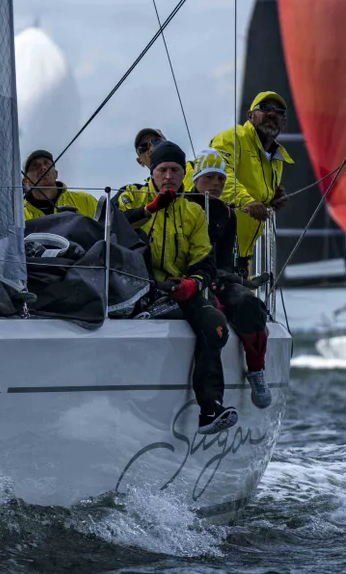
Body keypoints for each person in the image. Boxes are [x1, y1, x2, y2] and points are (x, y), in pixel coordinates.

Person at [123, 140, 239, 434]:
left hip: (177, 288)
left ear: (184, 173)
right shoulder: (131, 196)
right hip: (135, 285)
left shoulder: (194, 212)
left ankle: (210, 410)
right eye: (162, 169)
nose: (169, 176)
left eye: (175, 170)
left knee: (216, 325)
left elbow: (204, 260)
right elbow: (110, 227)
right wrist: (149, 210)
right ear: (152, 173)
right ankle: (135, 402)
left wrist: (194, 283)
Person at [188, 149, 272, 409]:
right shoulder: (183, 206)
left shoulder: (227, 213)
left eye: (221, 179)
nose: (216, 184)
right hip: (189, 278)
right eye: (210, 177)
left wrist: (241, 282)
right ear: (195, 179)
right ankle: (212, 400)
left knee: (250, 304)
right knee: (213, 313)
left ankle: (256, 370)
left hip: (218, 277)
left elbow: (224, 260)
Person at [210, 91, 293, 274]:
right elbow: (219, 176)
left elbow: (257, 192)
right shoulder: (232, 138)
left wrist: (272, 198)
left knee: (247, 300)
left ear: (284, 123)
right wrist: (246, 200)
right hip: (213, 250)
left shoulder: (277, 157)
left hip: (242, 255)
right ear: (250, 116)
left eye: (278, 111)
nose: (272, 114)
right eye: (264, 108)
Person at [116, 127, 192, 211]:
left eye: (157, 142)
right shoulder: (131, 194)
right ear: (140, 161)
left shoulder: (192, 168)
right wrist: (147, 210)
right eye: (143, 147)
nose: (152, 148)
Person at [22, 150, 98, 220]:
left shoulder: (85, 200)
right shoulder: (19, 215)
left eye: (47, 163)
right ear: (26, 181)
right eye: (35, 166)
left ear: (56, 174)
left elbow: (106, 228)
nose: (43, 168)